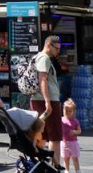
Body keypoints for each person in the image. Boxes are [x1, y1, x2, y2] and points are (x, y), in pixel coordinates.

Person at [31, 35, 62, 167]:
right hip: (48, 100)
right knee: (55, 136)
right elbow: (42, 79)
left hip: (38, 99)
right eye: (56, 48)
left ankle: (40, 164)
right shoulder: (44, 58)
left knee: (41, 135)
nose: (58, 51)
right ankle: (56, 166)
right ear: (48, 45)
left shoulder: (37, 57)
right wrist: (47, 102)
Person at [61, 98, 82, 173]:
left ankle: (78, 170)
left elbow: (79, 130)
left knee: (75, 158)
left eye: (70, 111)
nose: (68, 112)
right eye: (66, 111)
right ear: (63, 110)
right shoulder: (61, 120)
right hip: (64, 142)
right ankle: (66, 170)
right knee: (65, 158)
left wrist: (75, 132)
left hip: (73, 143)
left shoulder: (75, 121)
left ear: (73, 112)